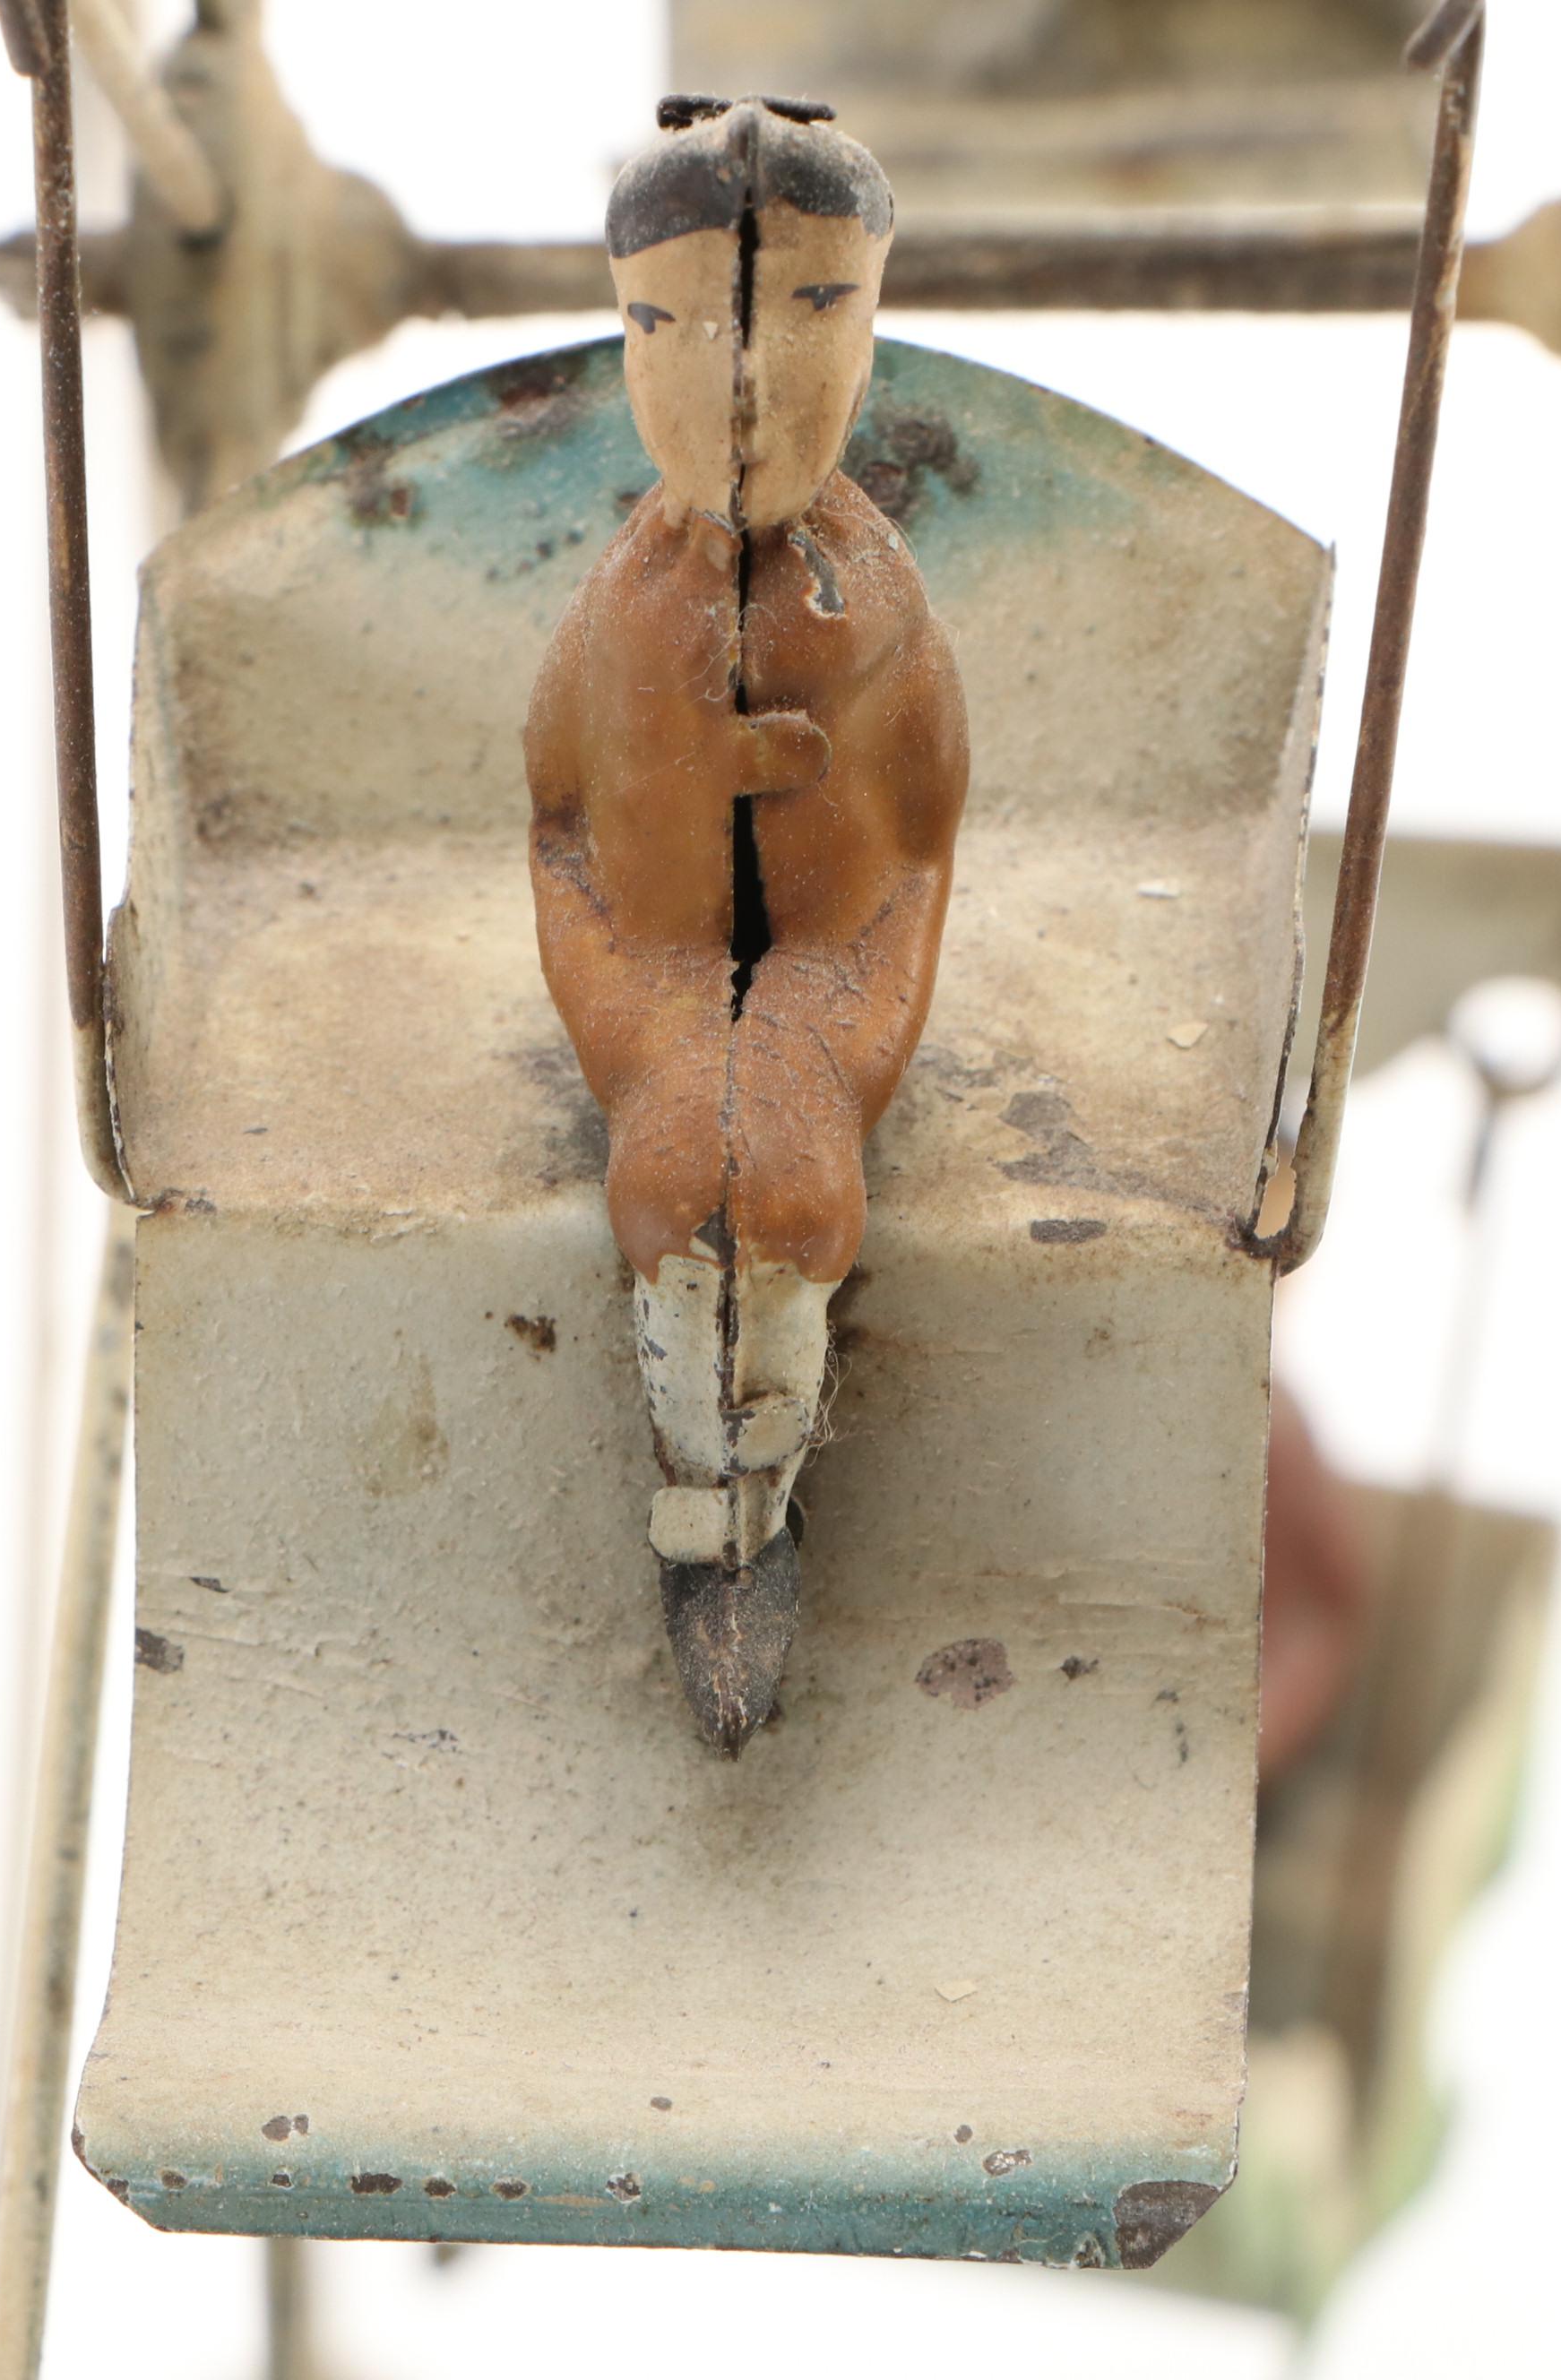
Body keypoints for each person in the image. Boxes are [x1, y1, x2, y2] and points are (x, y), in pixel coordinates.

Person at [526, 95, 969, 1752]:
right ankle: (703, 1484)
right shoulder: (621, 604)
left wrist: (832, 998)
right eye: (673, 322)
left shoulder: (877, 599)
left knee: (774, 1161)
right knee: (674, 1158)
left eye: (810, 312)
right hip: (634, 952)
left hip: (844, 956)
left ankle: (751, 1481)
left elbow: (919, 840)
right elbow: (558, 814)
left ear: (868, 329)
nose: (740, 382)